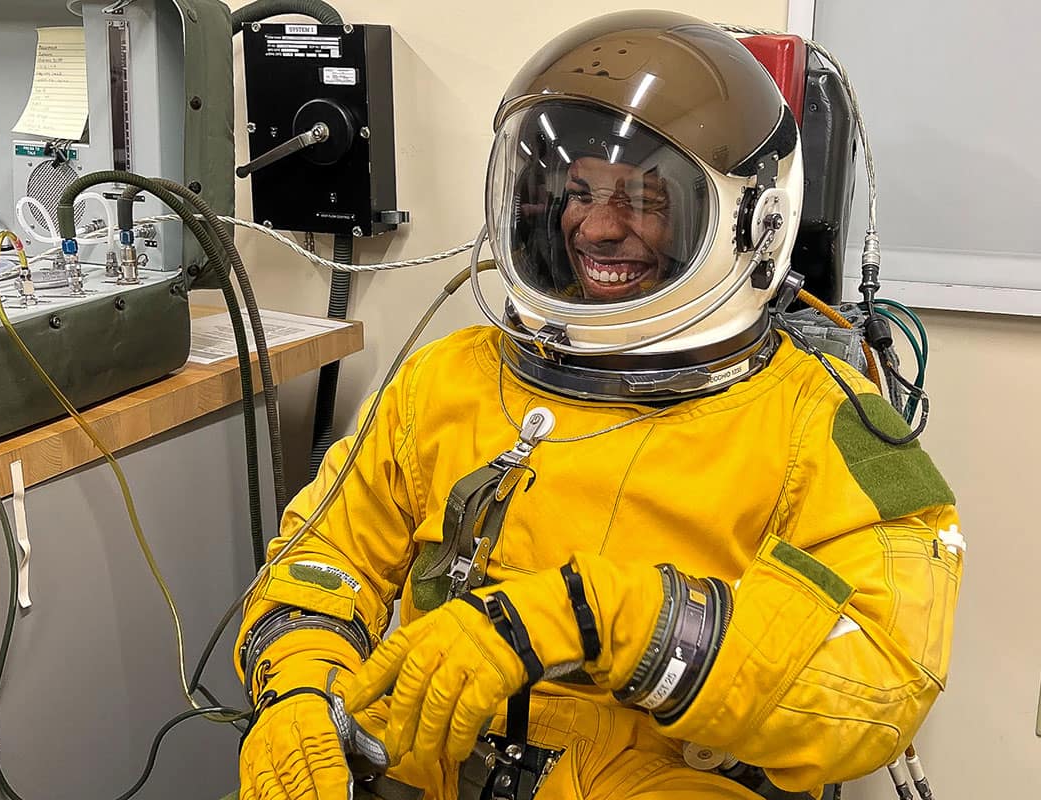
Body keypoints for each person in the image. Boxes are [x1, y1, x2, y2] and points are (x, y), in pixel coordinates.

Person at [235, 10, 963, 800]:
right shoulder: (447, 381)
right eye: (578, 192)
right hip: (431, 759)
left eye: (643, 198)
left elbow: (879, 680)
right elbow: (324, 555)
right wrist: (299, 690)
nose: (598, 228)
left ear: (753, 221)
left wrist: (595, 619)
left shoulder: (826, 423)